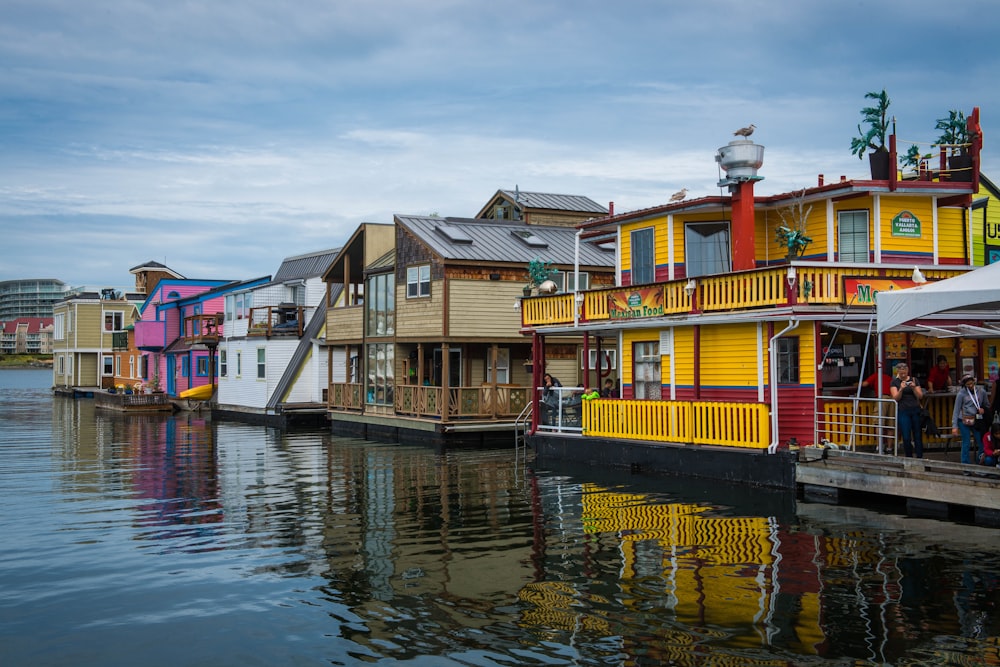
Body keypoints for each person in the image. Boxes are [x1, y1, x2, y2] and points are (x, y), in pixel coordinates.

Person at [951, 374, 988, 465]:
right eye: (968, 384)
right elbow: (956, 410)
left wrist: (983, 410)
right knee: (966, 442)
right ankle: (965, 465)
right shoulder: (961, 394)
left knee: (981, 441)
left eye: (972, 383)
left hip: (977, 419)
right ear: (964, 385)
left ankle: (979, 462)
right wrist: (954, 426)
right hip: (963, 419)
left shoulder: (981, 391)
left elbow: (987, 405)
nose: (970, 386)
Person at [890, 363, 924, 458]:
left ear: (907, 370)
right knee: (906, 436)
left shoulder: (914, 380)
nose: (903, 374)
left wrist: (913, 388)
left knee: (917, 435)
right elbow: (895, 398)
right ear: (898, 372)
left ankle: (920, 457)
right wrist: (901, 389)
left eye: (904, 371)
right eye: (901, 372)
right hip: (903, 410)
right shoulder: (894, 382)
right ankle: (909, 457)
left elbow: (920, 396)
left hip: (915, 409)